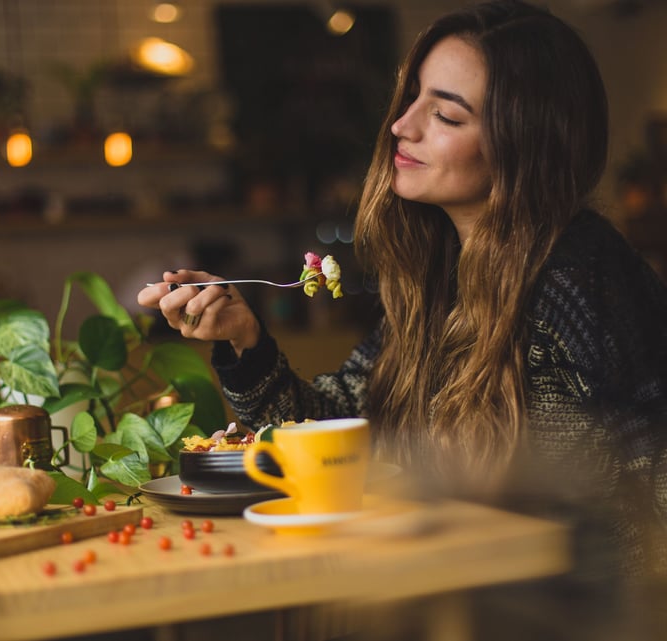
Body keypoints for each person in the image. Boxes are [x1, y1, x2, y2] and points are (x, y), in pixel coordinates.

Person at [139, 0, 667, 580]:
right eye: (413, 96)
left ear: (526, 144)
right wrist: (246, 341)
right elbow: (342, 429)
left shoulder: (578, 279)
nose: (402, 125)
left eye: (446, 115)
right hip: (462, 590)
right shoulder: (445, 275)